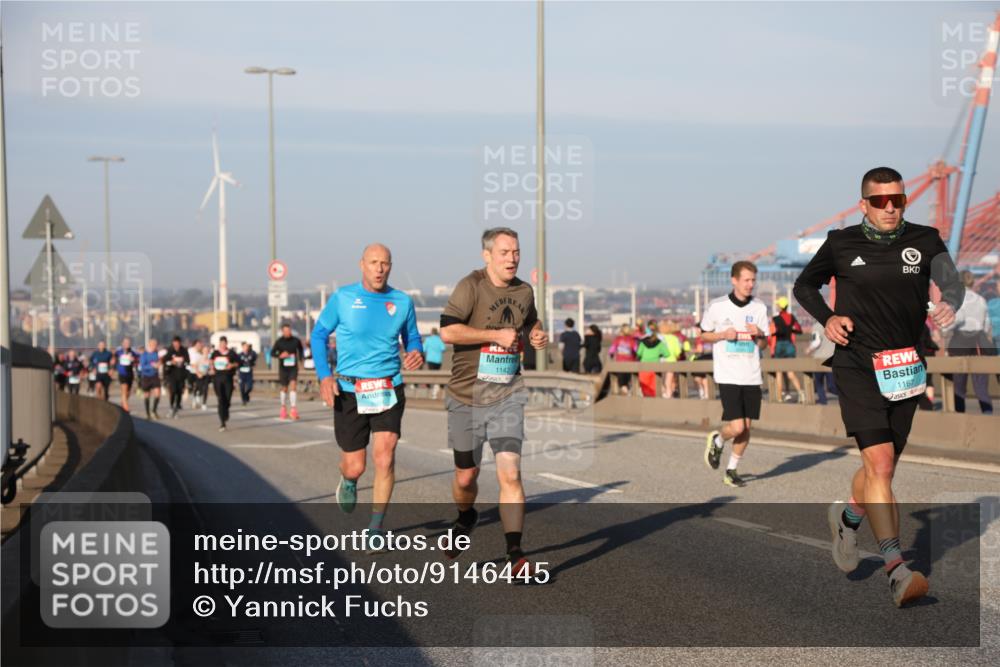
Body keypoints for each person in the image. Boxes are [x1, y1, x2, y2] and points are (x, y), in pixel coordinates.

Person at [793, 166, 963, 608]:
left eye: (897, 200)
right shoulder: (841, 243)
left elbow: (952, 282)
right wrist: (828, 318)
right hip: (856, 364)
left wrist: (950, 303)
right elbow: (804, 285)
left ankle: (847, 518)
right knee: (882, 465)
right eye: (880, 201)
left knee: (880, 470)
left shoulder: (926, 239)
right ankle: (896, 570)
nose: (890, 208)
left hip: (905, 367)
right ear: (863, 204)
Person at [439, 228, 548, 574]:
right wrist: (494, 335)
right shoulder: (470, 286)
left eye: (516, 252)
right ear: (487, 256)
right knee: (466, 477)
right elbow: (447, 331)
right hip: (466, 396)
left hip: (507, 393)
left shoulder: (524, 290)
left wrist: (535, 334)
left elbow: (530, 322)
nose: (512, 259)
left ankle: (515, 555)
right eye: (504, 252)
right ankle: (465, 517)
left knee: (510, 473)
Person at [312, 243, 423, 548]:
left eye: (385, 263)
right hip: (350, 390)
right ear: (362, 264)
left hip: (388, 387)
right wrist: (324, 376)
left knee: (385, 456)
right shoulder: (343, 298)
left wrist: (416, 350)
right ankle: (348, 480)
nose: (379, 268)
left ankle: (376, 527)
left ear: (391, 266)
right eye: (373, 262)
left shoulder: (402, 301)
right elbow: (318, 334)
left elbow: (412, 337)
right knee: (356, 466)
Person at [701, 261, 769, 488]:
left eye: (753, 280)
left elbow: (763, 345)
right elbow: (704, 335)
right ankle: (718, 439)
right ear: (734, 280)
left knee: (746, 428)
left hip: (752, 374)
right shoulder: (717, 306)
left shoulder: (759, 307)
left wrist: (759, 334)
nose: (750, 284)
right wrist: (722, 334)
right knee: (737, 427)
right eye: (746, 280)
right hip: (728, 374)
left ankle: (731, 470)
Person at [947, 271, 994, 414]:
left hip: (959, 343)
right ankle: (988, 416)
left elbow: (950, 324)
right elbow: (986, 325)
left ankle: (960, 419)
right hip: (978, 343)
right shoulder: (981, 300)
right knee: (981, 387)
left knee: (959, 388)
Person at [769, 296, 805, 402]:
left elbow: (772, 333)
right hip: (790, 345)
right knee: (790, 372)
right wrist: (790, 330)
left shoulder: (775, 319)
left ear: (780, 307)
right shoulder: (791, 317)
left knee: (779, 372)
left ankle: (779, 398)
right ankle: (801, 393)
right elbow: (799, 330)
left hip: (780, 345)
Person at [272, 322, 305, 420]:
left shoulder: (296, 340)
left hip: (293, 367)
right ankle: (283, 407)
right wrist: (280, 355)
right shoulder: (279, 342)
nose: (287, 332)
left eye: (289, 330)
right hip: (283, 368)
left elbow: (300, 350)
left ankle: (293, 409)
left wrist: (300, 360)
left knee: (293, 386)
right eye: (285, 331)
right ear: (282, 332)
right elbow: (272, 353)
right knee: (284, 388)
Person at [209, 336, 239, 431]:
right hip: (217, 379)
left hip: (228, 378)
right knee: (220, 399)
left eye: (224, 343)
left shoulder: (231, 353)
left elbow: (238, 363)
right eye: (221, 343)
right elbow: (211, 361)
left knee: (227, 399)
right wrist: (212, 368)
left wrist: (232, 365)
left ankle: (226, 410)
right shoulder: (215, 353)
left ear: (226, 344)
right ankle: (222, 422)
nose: (222, 345)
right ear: (219, 344)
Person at [806, 320, 837, 405]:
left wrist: (809, 349)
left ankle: (823, 400)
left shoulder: (816, 327)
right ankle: (844, 396)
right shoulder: (832, 325)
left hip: (819, 358)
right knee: (831, 384)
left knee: (819, 382)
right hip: (830, 357)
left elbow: (816, 341)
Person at [635, 326, 669, 397]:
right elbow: (667, 354)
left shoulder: (643, 342)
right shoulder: (659, 342)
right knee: (654, 387)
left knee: (644, 386)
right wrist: (659, 355)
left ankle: (646, 400)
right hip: (655, 368)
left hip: (643, 367)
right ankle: (654, 401)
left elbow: (638, 353)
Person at [163, 336, 189, 418]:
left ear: (180, 343)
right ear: (173, 343)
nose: (176, 344)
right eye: (175, 343)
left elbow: (188, 361)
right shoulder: (170, 350)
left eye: (178, 343)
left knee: (179, 392)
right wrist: (171, 362)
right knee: (173, 391)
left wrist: (183, 362)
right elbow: (165, 361)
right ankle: (171, 407)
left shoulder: (184, 351)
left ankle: (177, 408)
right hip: (172, 375)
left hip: (181, 375)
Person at [609, 323, 638, 394]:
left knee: (621, 382)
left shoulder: (617, 340)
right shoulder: (632, 340)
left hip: (620, 364)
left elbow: (611, 350)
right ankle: (627, 391)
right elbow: (637, 350)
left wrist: (611, 355)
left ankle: (625, 391)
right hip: (630, 363)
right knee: (628, 380)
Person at [137, 339, 162, 420]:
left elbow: (158, 362)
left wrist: (159, 364)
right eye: (154, 345)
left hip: (155, 375)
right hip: (146, 376)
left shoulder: (156, 353)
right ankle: (148, 414)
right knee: (147, 395)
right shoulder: (144, 355)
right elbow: (142, 366)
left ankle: (154, 411)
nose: (155, 346)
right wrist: (152, 366)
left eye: (156, 345)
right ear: (150, 345)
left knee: (158, 393)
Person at [114, 337, 138, 413]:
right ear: (122, 343)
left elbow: (137, 359)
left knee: (128, 392)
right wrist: (114, 367)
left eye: (128, 343)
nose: (127, 344)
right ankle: (126, 409)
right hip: (122, 373)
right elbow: (113, 360)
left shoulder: (132, 352)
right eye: (125, 342)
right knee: (124, 390)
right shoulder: (118, 352)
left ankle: (123, 404)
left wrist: (134, 359)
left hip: (130, 373)